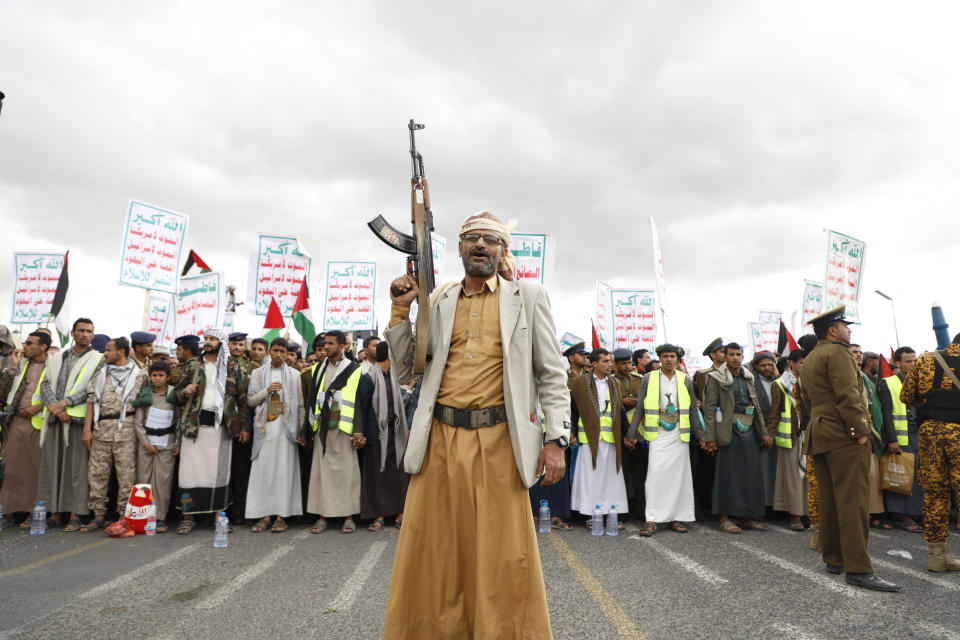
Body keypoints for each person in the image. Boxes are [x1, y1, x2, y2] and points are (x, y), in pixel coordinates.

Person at [383, 211, 569, 639]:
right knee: (437, 550)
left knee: (503, 553)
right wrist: (400, 310)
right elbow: (407, 371)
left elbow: (551, 375)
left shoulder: (528, 296)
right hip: (440, 441)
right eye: (472, 239)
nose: (481, 245)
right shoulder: (440, 298)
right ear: (460, 248)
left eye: (490, 240)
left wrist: (556, 439)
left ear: (503, 251)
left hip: (502, 441)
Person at [799, 306, 900, 591]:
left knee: (830, 499)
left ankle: (834, 558)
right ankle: (858, 568)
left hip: (820, 433)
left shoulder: (811, 357)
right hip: (844, 433)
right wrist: (858, 432)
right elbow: (848, 396)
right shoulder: (838, 353)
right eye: (845, 325)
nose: (849, 329)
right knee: (854, 502)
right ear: (832, 330)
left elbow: (810, 400)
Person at [173, 328, 247, 534]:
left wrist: (244, 427)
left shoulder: (233, 367)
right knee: (189, 473)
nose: (207, 342)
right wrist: (184, 392)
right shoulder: (193, 365)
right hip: (194, 428)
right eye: (206, 338)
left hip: (222, 429)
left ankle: (219, 517)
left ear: (221, 342)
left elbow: (242, 399)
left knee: (219, 474)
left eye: (212, 339)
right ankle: (188, 518)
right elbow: (175, 395)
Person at [36, 318, 105, 531]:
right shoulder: (58, 357)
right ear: (73, 333)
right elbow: (45, 382)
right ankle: (55, 513)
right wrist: (54, 407)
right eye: (81, 330)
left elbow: (92, 388)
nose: (86, 334)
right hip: (56, 419)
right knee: (53, 466)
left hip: (77, 421)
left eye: (89, 331)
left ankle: (75, 513)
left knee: (77, 469)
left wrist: (65, 404)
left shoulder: (98, 359)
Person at [627, 344, 701, 535]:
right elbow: (640, 408)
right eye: (665, 356)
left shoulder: (685, 379)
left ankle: (677, 518)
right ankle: (652, 519)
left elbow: (693, 409)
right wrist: (631, 432)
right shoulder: (648, 378)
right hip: (657, 434)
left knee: (679, 478)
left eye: (672, 356)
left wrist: (702, 436)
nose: (669, 359)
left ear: (677, 359)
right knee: (655, 476)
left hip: (679, 433)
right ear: (659, 358)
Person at [900, 334, 960, 571]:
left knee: (935, 494)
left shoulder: (925, 360)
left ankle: (937, 557)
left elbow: (905, 396)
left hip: (930, 432)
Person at [80, 337, 147, 531]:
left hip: (127, 431)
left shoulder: (140, 376)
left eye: (109, 350)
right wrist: (87, 430)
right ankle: (98, 515)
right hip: (101, 430)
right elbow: (91, 403)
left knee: (126, 476)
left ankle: (124, 516)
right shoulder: (101, 375)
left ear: (121, 352)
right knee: (97, 474)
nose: (105, 353)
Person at [701, 342, 770, 533]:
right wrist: (710, 437)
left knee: (749, 475)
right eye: (731, 354)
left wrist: (763, 432)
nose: (735, 358)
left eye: (739, 354)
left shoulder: (748, 377)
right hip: (727, 430)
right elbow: (709, 408)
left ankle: (745, 518)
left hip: (749, 430)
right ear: (725, 356)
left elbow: (756, 407)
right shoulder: (715, 378)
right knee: (727, 476)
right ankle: (725, 519)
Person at [306, 330, 364, 534]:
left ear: (342, 346)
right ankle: (322, 516)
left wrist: (358, 431)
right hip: (323, 428)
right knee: (322, 473)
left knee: (347, 473)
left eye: (330, 344)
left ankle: (348, 517)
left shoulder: (355, 369)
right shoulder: (317, 369)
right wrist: (309, 427)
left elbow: (359, 402)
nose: (326, 348)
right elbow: (312, 401)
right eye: (325, 344)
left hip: (344, 428)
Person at [245, 337, 304, 533]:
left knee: (283, 473)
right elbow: (251, 401)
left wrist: (302, 430)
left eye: (283, 352)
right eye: (275, 351)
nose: (279, 355)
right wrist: (266, 391)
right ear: (269, 352)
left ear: (288, 355)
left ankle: (281, 516)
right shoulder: (257, 373)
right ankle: (265, 515)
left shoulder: (295, 375)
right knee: (265, 473)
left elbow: (301, 406)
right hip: (265, 430)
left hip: (287, 432)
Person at [570, 348, 628, 527]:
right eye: (605, 361)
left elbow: (620, 411)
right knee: (591, 477)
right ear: (594, 364)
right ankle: (591, 514)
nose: (610, 364)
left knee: (611, 477)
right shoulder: (580, 382)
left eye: (610, 361)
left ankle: (611, 512)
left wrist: (629, 434)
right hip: (590, 438)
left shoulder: (615, 383)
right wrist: (571, 431)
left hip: (610, 438)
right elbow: (574, 409)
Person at [357, 340, 409, 530]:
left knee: (398, 474)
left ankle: (399, 511)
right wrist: (360, 434)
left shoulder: (393, 378)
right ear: (389, 357)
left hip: (395, 434)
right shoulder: (368, 378)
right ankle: (377, 515)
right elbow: (361, 408)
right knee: (377, 476)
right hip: (376, 436)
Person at [0, 331, 49, 528]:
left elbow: (59, 394)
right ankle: (8, 510)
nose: (25, 346)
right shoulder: (20, 364)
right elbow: (2, 392)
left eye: (30, 343)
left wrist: (38, 407)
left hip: (40, 424)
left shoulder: (54, 367)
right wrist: (11, 367)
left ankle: (32, 512)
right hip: (16, 423)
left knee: (34, 470)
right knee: (10, 470)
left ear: (43, 347)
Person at [878, 347, 924, 532]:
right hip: (900, 438)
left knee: (918, 478)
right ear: (897, 363)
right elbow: (886, 413)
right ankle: (903, 515)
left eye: (914, 360)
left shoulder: (921, 381)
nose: (912, 364)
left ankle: (915, 513)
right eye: (908, 361)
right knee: (902, 476)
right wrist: (892, 439)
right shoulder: (887, 383)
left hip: (918, 436)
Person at [132, 360, 179, 533]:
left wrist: (177, 443)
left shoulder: (174, 395)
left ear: (168, 377)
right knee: (143, 480)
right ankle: (142, 516)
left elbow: (179, 420)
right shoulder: (145, 394)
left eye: (161, 375)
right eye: (154, 375)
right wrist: (145, 443)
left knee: (163, 482)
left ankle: (159, 518)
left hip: (166, 444)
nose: (157, 379)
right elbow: (137, 422)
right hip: (147, 444)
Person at [768, 348, 808, 530]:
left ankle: (809, 513)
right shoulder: (780, 384)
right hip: (791, 437)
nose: (804, 365)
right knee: (793, 478)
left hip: (810, 435)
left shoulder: (812, 382)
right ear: (791, 363)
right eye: (801, 362)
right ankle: (795, 515)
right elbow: (774, 412)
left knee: (809, 478)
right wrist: (770, 434)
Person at [692, 337, 725, 519]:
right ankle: (702, 507)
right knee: (705, 469)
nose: (725, 355)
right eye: (721, 352)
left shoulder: (733, 372)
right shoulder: (703, 374)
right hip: (709, 424)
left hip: (726, 425)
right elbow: (698, 400)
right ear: (713, 355)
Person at [226, 332, 256, 525]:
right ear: (228, 345)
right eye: (234, 344)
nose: (237, 347)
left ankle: (238, 510)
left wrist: (246, 427)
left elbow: (247, 401)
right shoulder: (220, 365)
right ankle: (219, 508)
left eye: (241, 344)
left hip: (243, 425)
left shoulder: (252, 368)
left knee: (240, 470)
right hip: (222, 426)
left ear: (246, 347)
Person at [612, 347, 646, 521]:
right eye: (623, 363)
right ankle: (622, 510)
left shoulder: (639, 379)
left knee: (640, 472)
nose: (627, 367)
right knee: (622, 472)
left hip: (638, 432)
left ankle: (641, 510)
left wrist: (637, 402)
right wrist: (622, 402)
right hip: (618, 432)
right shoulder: (610, 380)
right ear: (615, 364)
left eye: (628, 363)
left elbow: (647, 399)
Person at [751, 351, 779, 513]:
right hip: (761, 434)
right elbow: (755, 411)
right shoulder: (752, 382)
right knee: (763, 471)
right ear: (756, 366)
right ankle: (764, 507)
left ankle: (778, 506)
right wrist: (763, 434)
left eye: (770, 364)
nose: (767, 368)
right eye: (763, 365)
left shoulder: (780, 381)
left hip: (778, 433)